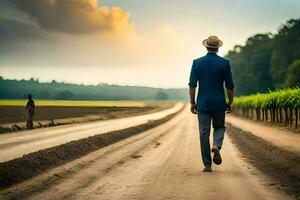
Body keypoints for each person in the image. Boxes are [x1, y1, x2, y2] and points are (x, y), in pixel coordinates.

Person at [188, 36, 234, 172]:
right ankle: (216, 145)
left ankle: (207, 165)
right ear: (218, 47)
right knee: (219, 127)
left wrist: (192, 102)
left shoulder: (197, 63)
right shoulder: (225, 63)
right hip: (219, 103)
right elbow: (230, 86)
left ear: (206, 46)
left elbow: (192, 85)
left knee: (203, 132)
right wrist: (230, 102)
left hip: (203, 103)